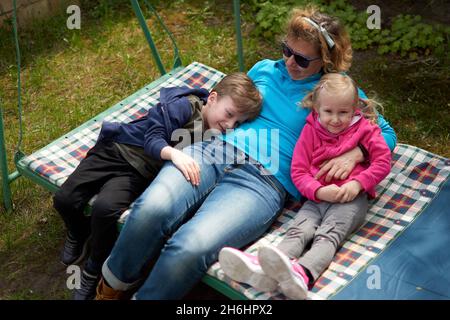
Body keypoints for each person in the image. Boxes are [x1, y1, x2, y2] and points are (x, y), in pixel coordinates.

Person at [95, 6, 397, 300]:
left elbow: (387, 134)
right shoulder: (264, 69)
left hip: (263, 183)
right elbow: (229, 99)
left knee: (191, 246)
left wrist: (353, 155)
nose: (290, 62)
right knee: (152, 209)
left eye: (303, 59)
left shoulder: (333, 92)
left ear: (326, 61)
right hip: (213, 151)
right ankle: (110, 288)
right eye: (286, 50)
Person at [52, 72, 262, 300]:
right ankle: (78, 231)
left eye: (238, 122)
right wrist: (174, 154)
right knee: (65, 199)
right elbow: (152, 138)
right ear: (212, 99)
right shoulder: (184, 106)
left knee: (105, 209)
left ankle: (93, 269)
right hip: (117, 149)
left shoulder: (217, 138)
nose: (230, 124)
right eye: (229, 114)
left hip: (138, 174)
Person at [219, 73, 392, 299]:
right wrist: (318, 191)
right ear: (317, 109)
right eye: (328, 112)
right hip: (317, 196)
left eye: (343, 112)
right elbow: (298, 171)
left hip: (350, 198)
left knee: (328, 234)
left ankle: (304, 272)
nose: (336, 119)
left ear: (354, 109)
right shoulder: (310, 130)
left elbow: (383, 161)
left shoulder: (366, 130)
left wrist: (359, 184)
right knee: (300, 229)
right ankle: (267, 268)